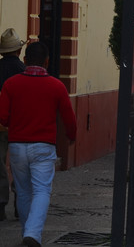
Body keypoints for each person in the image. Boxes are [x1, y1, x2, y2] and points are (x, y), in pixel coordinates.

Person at [0, 42, 77, 247]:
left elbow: (3, 117)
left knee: (24, 192)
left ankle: (28, 232)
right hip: (43, 146)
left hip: (17, 146)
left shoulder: (11, 84)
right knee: (42, 190)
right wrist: (71, 135)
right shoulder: (57, 86)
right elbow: (69, 119)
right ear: (47, 62)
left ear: (24, 61)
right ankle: (32, 234)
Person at [0, 28, 26, 222]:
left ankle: (0, 204)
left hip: (0, 124)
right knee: (19, 164)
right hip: (19, 125)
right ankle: (20, 203)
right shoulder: (23, 70)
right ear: (19, 50)